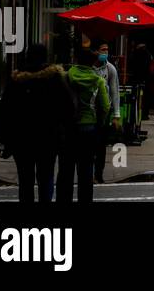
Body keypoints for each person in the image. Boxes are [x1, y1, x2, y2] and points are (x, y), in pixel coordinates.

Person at [0, 43, 72, 203]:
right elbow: (68, 108)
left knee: (25, 180)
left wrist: (4, 137)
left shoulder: (17, 81)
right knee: (46, 176)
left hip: (22, 139)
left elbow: (5, 111)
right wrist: (64, 133)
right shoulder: (55, 79)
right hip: (48, 138)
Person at [57, 44, 110, 204]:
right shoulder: (98, 81)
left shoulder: (65, 77)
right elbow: (105, 106)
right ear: (93, 63)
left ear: (76, 60)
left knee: (65, 169)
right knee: (86, 169)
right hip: (89, 127)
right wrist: (99, 120)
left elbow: (58, 103)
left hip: (68, 127)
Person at [91, 41, 122, 182]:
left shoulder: (110, 69)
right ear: (95, 51)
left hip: (104, 112)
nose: (105, 53)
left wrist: (116, 115)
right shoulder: (88, 68)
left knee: (100, 146)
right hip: (88, 111)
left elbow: (115, 92)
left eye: (107, 50)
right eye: (103, 50)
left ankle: (98, 174)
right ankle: (88, 173)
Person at [128, 41, 153, 121]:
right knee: (145, 98)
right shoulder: (148, 55)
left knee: (135, 96)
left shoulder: (134, 54)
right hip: (146, 78)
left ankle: (136, 113)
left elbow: (131, 64)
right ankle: (144, 114)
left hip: (136, 77)